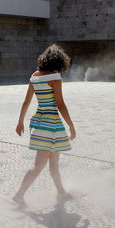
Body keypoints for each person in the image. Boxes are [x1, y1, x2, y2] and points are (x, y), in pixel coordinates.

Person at [13, 44, 76, 207]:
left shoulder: (34, 75)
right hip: (51, 123)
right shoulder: (54, 77)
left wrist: (20, 121)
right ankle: (19, 195)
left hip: (40, 121)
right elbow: (60, 104)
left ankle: (61, 193)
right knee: (39, 164)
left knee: (54, 161)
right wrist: (71, 126)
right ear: (59, 61)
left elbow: (26, 101)